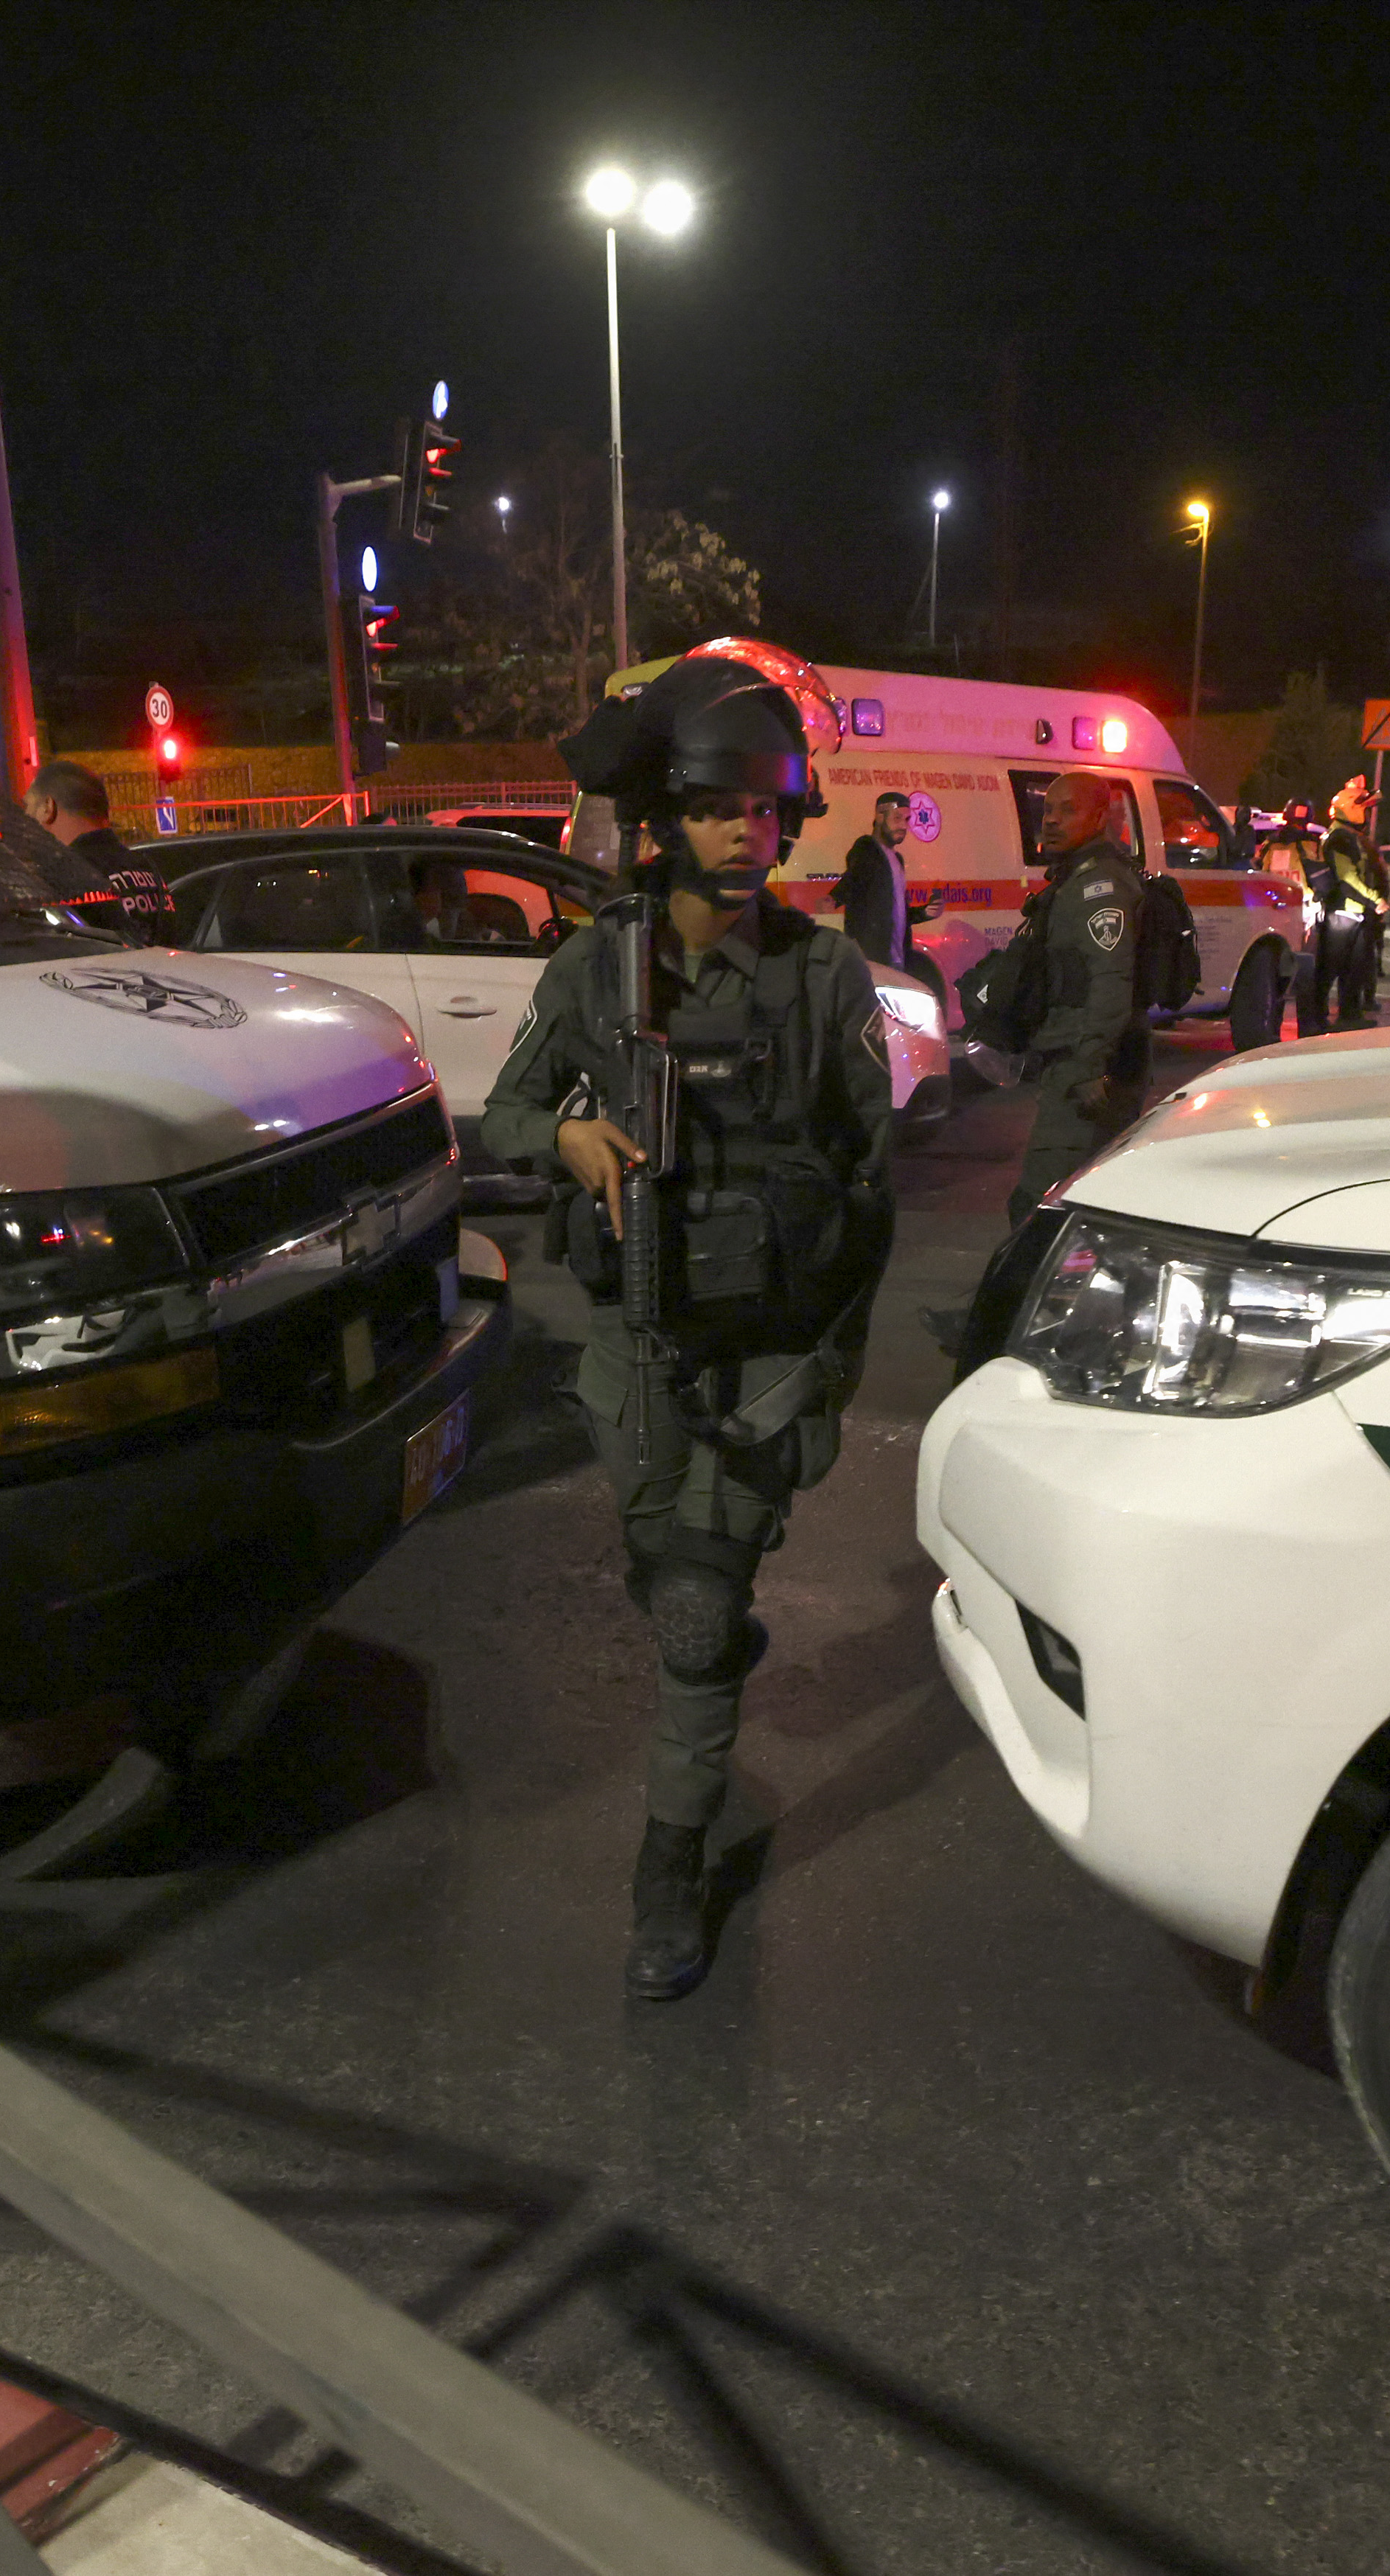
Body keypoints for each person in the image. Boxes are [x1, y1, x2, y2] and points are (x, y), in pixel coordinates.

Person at [481, 650, 895, 2002]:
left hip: (761, 1350)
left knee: (698, 1618)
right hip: (635, 1348)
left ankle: (670, 1865)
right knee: (667, 1570)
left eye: (770, 813)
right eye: (724, 809)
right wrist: (568, 1132)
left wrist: (826, 1375)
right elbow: (496, 1115)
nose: (750, 833)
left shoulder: (827, 978)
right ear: (668, 823)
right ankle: (691, 1604)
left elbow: (870, 1187)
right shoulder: (597, 970)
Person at [1000, 770, 1156, 1225]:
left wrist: (1090, 1068)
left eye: (1068, 811)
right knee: (1091, 1202)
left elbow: (1111, 981)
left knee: (1038, 1204)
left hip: (1087, 1070)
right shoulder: (1079, 878)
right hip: (1080, 1060)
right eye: (1048, 809)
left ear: (1100, 816)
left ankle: (1022, 1295)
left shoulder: (1098, 887)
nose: (1052, 820)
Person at [27, 758, 175, 939]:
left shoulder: (61, 877)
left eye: (27, 805)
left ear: (48, 808)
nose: (26, 816)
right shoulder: (147, 868)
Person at [1299, 775, 1390, 1035]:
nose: (1366, 813)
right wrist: (1375, 900)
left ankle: (1350, 1016)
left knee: (1355, 968)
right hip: (1342, 913)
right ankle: (1315, 1018)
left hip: (1354, 913)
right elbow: (1347, 878)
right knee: (1330, 968)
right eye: (1363, 808)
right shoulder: (1340, 837)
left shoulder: (1345, 835)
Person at [834, 789, 912, 972]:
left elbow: (898, 913)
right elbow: (856, 877)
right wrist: (834, 897)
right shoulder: (867, 848)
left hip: (897, 960)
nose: (904, 826)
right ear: (879, 818)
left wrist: (926, 913)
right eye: (897, 818)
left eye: (907, 820)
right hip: (872, 959)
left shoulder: (897, 860)